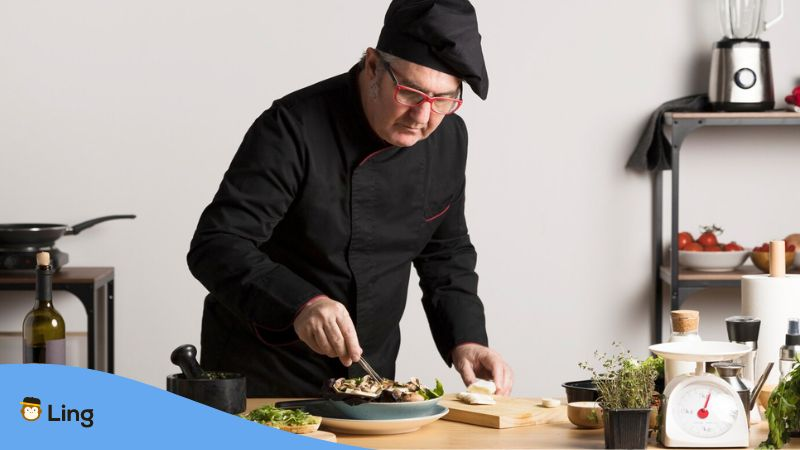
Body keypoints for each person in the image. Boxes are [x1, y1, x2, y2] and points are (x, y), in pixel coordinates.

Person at [187, 0, 513, 397]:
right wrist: (302, 303)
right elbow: (217, 244)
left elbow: (446, 251)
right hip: (265, 371)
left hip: (368, 378)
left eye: (443, 99)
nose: (423, 117)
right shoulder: (292, 128)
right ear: (373, 66)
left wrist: (466, 338)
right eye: (410, 93)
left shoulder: (448, 139)